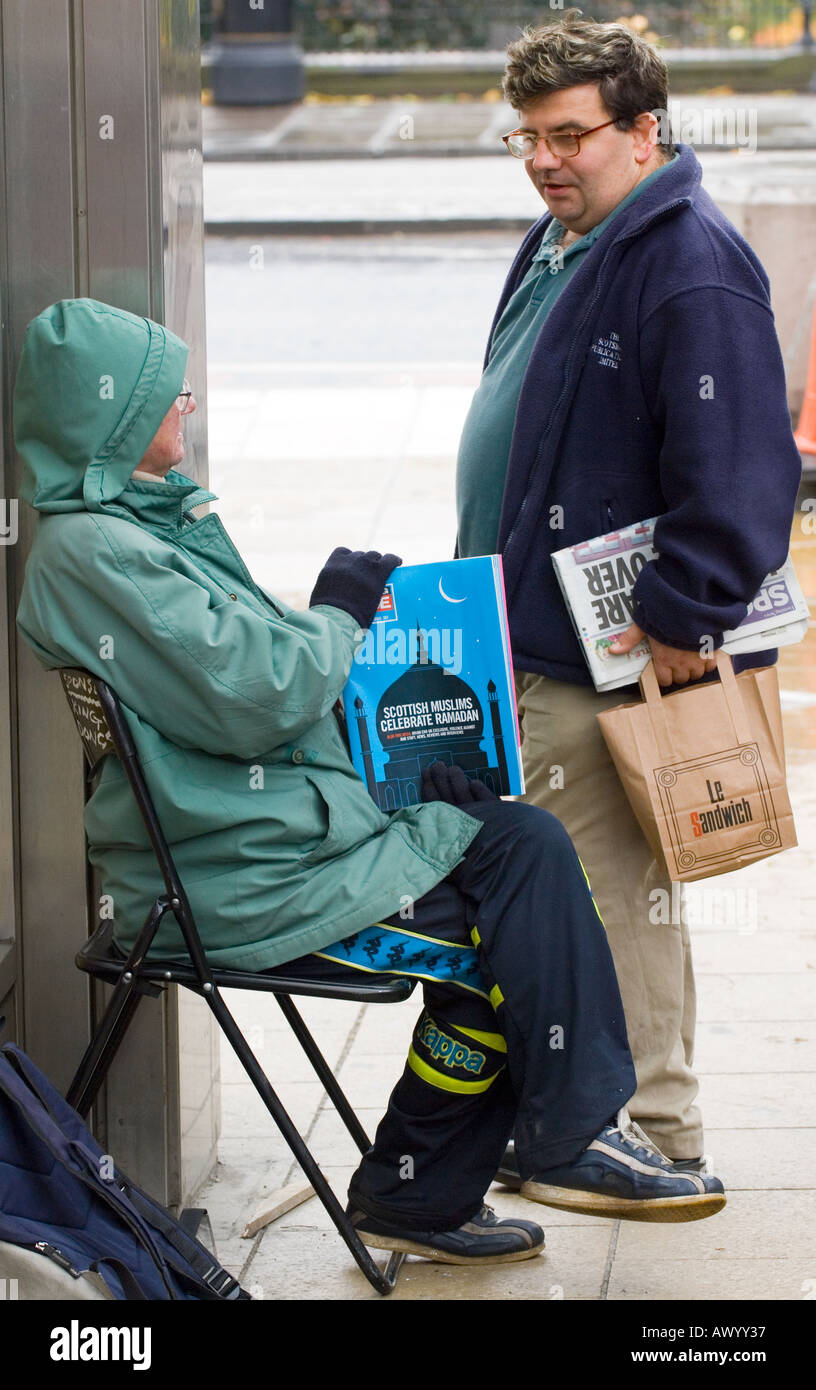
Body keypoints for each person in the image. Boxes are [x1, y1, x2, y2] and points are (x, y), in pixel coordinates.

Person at [15, 297, 725, 1270]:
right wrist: (342, 613)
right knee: (511, 930)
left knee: (518, 844)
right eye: (168, 396)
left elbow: (250, 681)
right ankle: (538, 1145)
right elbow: (259, 695)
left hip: (267, 831)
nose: (187, 411)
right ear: (117, 417)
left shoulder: (139, 528)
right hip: (232, 874)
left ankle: (456, 1174)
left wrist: (401, 773)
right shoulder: (95, 553)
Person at [455, 11, 801, 1172]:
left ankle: (655, 1133)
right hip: (530, 634)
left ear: (644, 131)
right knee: (560, 895)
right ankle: (575, 1114)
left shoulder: (689, 260)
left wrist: (684, 613)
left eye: (570, 135)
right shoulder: (568, 239)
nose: (546, 158)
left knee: (616, 899)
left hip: (616, 654)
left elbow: (746, 464)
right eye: (528, 138)